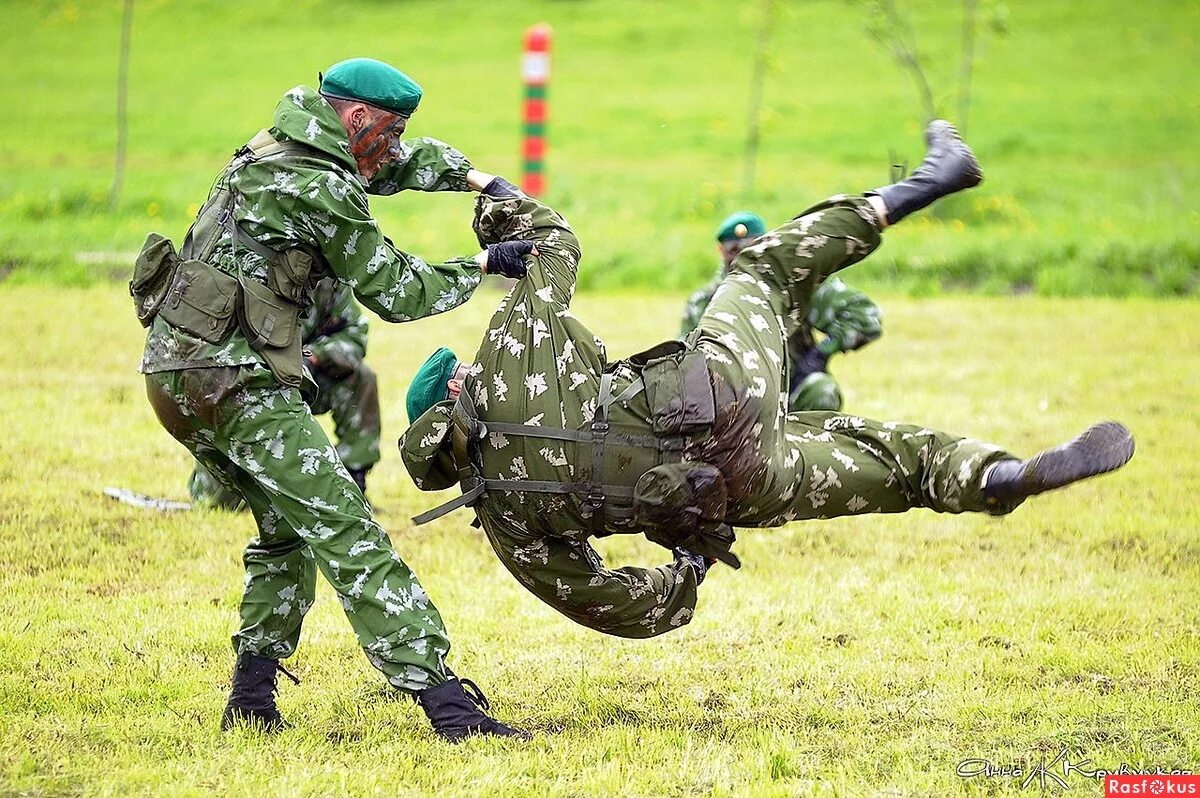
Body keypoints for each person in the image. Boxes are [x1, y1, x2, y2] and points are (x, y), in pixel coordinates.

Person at [399, 120, 1134, 640]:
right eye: (462, 372)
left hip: (731, 490)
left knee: (897, 465)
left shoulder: (504, 520)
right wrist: (485, 194)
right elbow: (555, 242)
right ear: (460, 391)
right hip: (717, 392)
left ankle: (1000, 475)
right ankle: (923, 184)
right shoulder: (507, 355)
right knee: (762, 268)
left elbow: (607, 606)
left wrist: (687, 568)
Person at [130, 57, 534, 740]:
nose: (396, 145)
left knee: (287, 529)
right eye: (392, 129)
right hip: (234, 381)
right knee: (349, 530)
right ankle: (450, 710)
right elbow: (398, 290)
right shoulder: (319, 186)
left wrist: (481, 180)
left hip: (172, 375)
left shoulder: (275, 145)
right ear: (356, 119)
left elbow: (391, 166)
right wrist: (489, 264)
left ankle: (252, 702)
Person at [189, 279, 381, 508]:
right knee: (220, 503)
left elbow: (355, 335)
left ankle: (352, 486)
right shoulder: (254, 270)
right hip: (254, 381)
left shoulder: (329, 280)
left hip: (306, 377)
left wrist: (313, 356)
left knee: (361, 377)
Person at [681, 212, 882, 411]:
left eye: (750, 248)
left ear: (767, 243)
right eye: (734, 250)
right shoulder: (704, 302)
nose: (741, 257)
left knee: (821, 390)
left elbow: (864, 316)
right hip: (734, 409)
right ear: (721, 251)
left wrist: (820, 353)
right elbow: (686, 364)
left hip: (790, 396)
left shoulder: (794, 285)